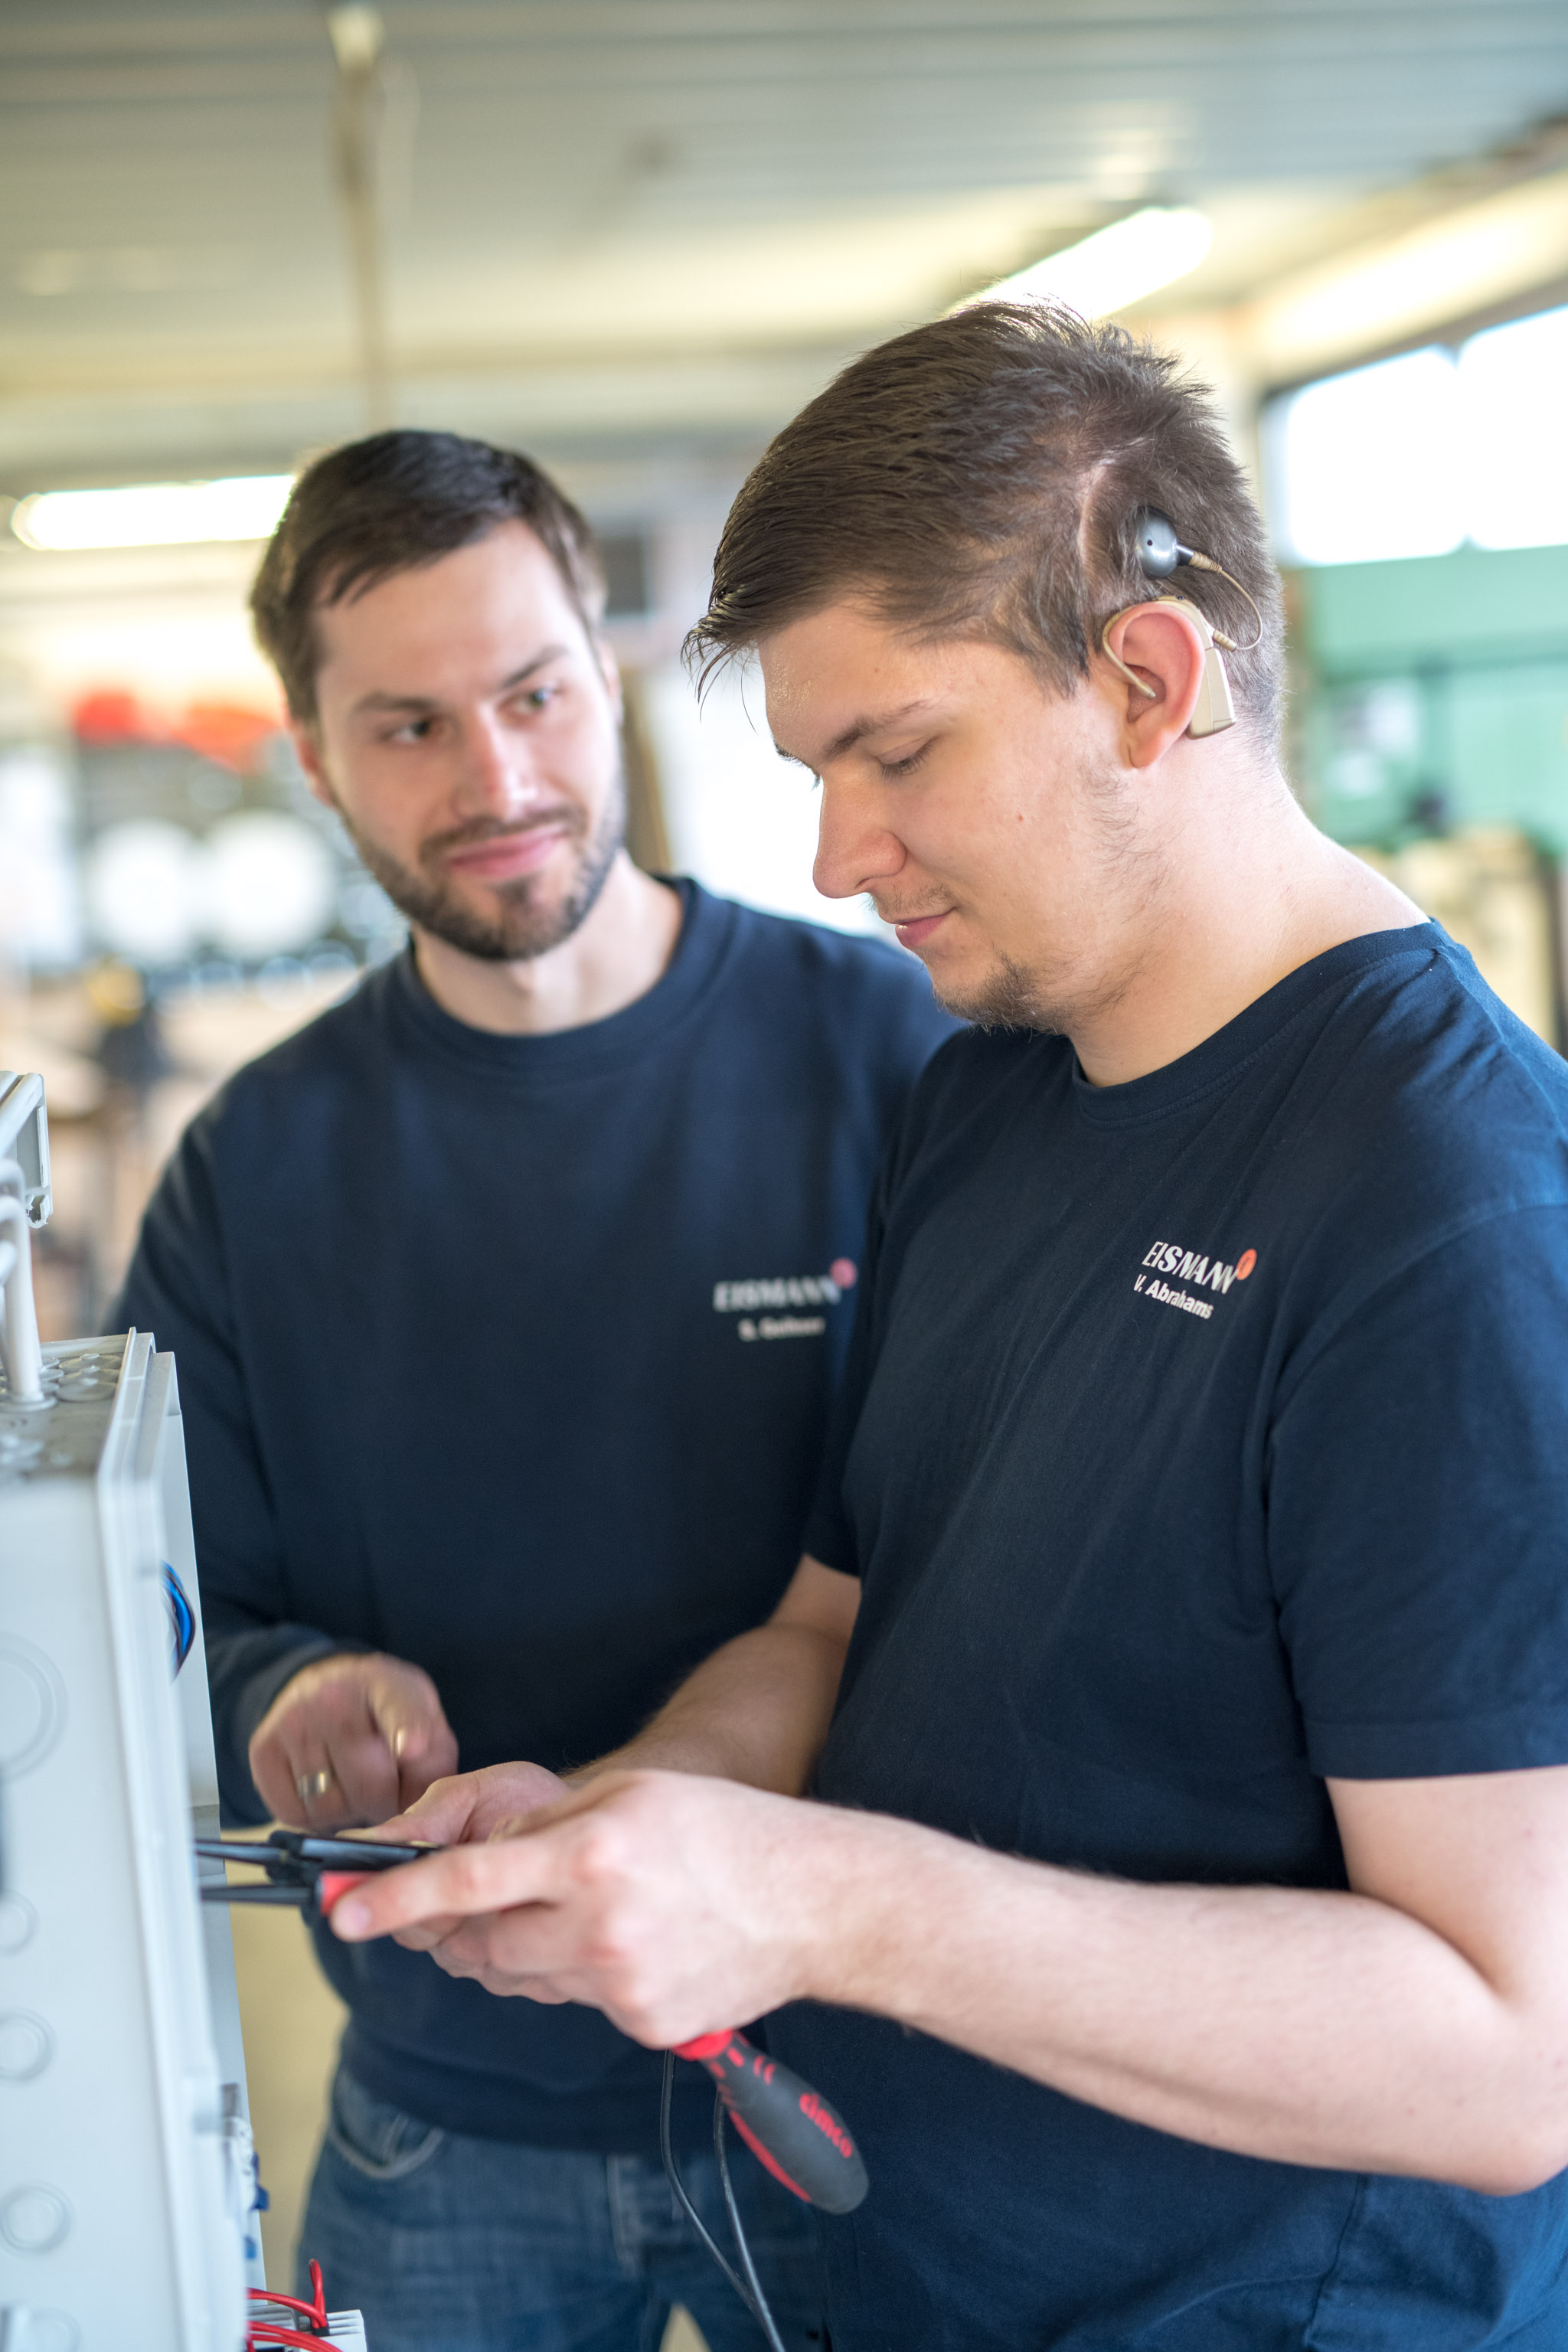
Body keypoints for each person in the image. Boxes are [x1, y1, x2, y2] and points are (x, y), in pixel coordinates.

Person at [335, 308, 1568, 2352]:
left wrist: (829, 1902)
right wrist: (635, 1824)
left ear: (1151, 681)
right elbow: (834, 1630)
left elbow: (1514, 2057)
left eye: (898, 753)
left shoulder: (1455, 1212)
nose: (836, 856)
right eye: (818, 772)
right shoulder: (993, 1082)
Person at [115, 428, 954, 2352]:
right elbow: (182, 1608)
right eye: (407, 727)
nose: (495, 781)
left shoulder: (896, 1062)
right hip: (449, 2111)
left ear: (608, 668)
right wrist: (292, 1691)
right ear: (314, 761)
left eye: (531, 694)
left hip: (850, 2079)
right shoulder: (255, 1171)